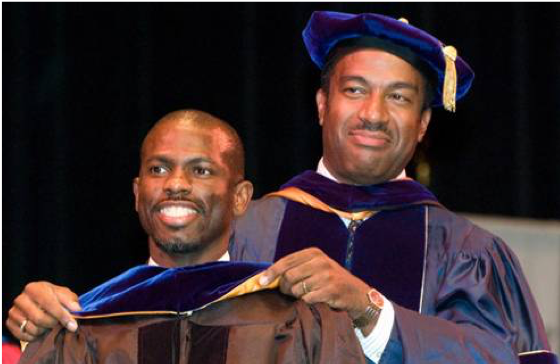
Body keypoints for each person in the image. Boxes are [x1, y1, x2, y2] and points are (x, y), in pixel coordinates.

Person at [8, 11, 556, 364]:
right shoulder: (248, 224)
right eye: (355, 90)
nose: (372, 113)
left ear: (422, 124)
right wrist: (63, 312)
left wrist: (371, 311)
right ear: (321, 104)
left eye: (398, 97)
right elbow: (155, 321)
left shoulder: (469, 253)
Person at [17, 110, 366, 363]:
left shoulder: (303, 322)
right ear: (138, 194)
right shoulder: (84, 326)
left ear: (240, 197)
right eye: (159, 169)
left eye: (201, 170)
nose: (176, 184)